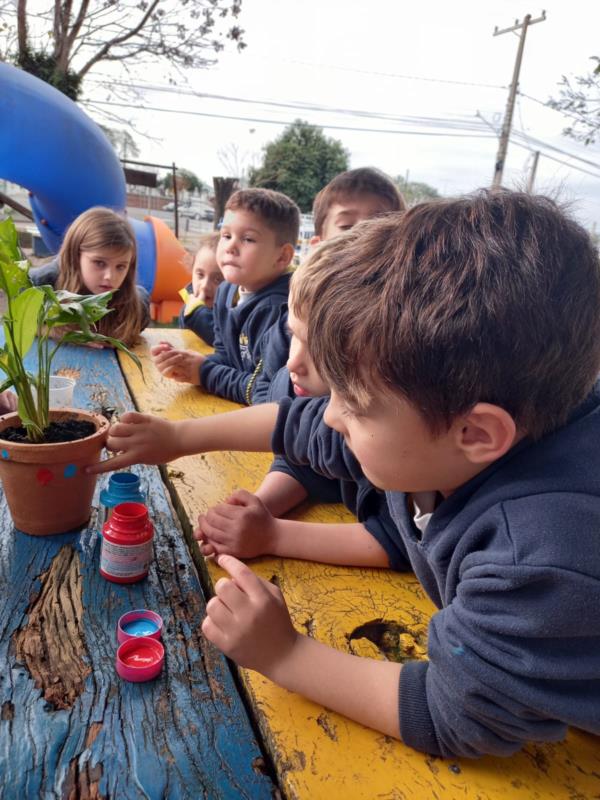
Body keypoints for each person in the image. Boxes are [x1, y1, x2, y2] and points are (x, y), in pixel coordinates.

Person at [89, 190, 600, 759]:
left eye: (353, 405)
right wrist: (180, 438)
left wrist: (285, 654)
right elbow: (303, 425)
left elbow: (458, 711)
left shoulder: (537, 554)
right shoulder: (442, 428)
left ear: (477, 435)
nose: (331, 412)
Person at [196, 235, 400, 565]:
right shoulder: (309, 392)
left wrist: (271, 534)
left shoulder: (399, 436)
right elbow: (303, 450)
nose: (293, 363)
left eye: (319, 350)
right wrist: (259, 509)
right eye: (295, 338)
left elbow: (396, 539)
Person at [151, 188, 300, 405]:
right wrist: (188, 364)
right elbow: (227, 355)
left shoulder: (280, 312)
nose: (230, 246)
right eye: (226, 235)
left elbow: (264, 392)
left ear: (282, 256)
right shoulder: (226, 290)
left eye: (248, 239)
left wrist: (204, 373)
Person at [29, 207, 149, 347]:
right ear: (75, 255)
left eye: (121, 266)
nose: (110, 276)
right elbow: (13, 324)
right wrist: (61, 333)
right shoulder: (39, 284)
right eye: (99, 263)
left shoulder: (138, 307)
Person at [178, 232, 223, 346]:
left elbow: (221, 340)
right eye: (200, 275)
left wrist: (197, 313)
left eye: (217, 279)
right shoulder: (188, 305)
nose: (205, 285)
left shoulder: (232, 312)